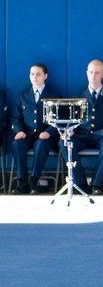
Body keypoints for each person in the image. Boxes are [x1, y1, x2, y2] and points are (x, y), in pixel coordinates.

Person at [62, 60, 103, 195]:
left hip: (102, 135)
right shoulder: (78, 97)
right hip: (82, 135)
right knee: (64, 142)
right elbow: (72, 121)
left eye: (97, 73)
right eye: (91, 72)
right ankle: (80, 183)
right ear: (86, 73)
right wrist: (70, 131)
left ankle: (97, 183)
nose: (93, 76)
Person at [11, 64, 61, 195]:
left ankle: (34, 180)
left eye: (38, 74)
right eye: (32, 74)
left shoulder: (54, 95)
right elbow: (16, 118)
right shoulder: (22, 95)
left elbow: (59, 120)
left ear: (45, 76)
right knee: (17, 144)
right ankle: (22, 181)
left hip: (45, 136)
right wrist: (19, 131)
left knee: (41, 144)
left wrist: (49, 132)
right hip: (27, 134)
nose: (35, 77)